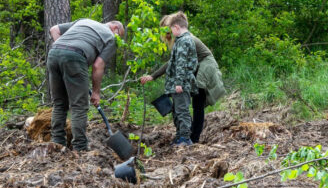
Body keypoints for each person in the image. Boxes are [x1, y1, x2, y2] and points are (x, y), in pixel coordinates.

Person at [140, 13, 224, 143]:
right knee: (184, 104)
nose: (167, 33)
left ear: (174, 26)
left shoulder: (185, 39)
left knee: (197, 104)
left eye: (167, 29)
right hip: (193, 68)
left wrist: (156, 76)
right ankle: (186, 135)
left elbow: (179, 63)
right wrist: (153, 76)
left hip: (205, 65)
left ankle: (191, 138)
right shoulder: (179, 38)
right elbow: (173, 62)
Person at [48, 19, 124, 153]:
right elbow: (98, 65)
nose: (118, 38)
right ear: (115, 27)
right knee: (79, 106)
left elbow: (54, 29)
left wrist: (62, 50)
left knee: (59, 103)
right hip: (75, 56)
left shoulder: (84, 21)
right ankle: (80, 147)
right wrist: (96, 92)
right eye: (120, 34)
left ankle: (57, 143)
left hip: (54, 53)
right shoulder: (111, 37)